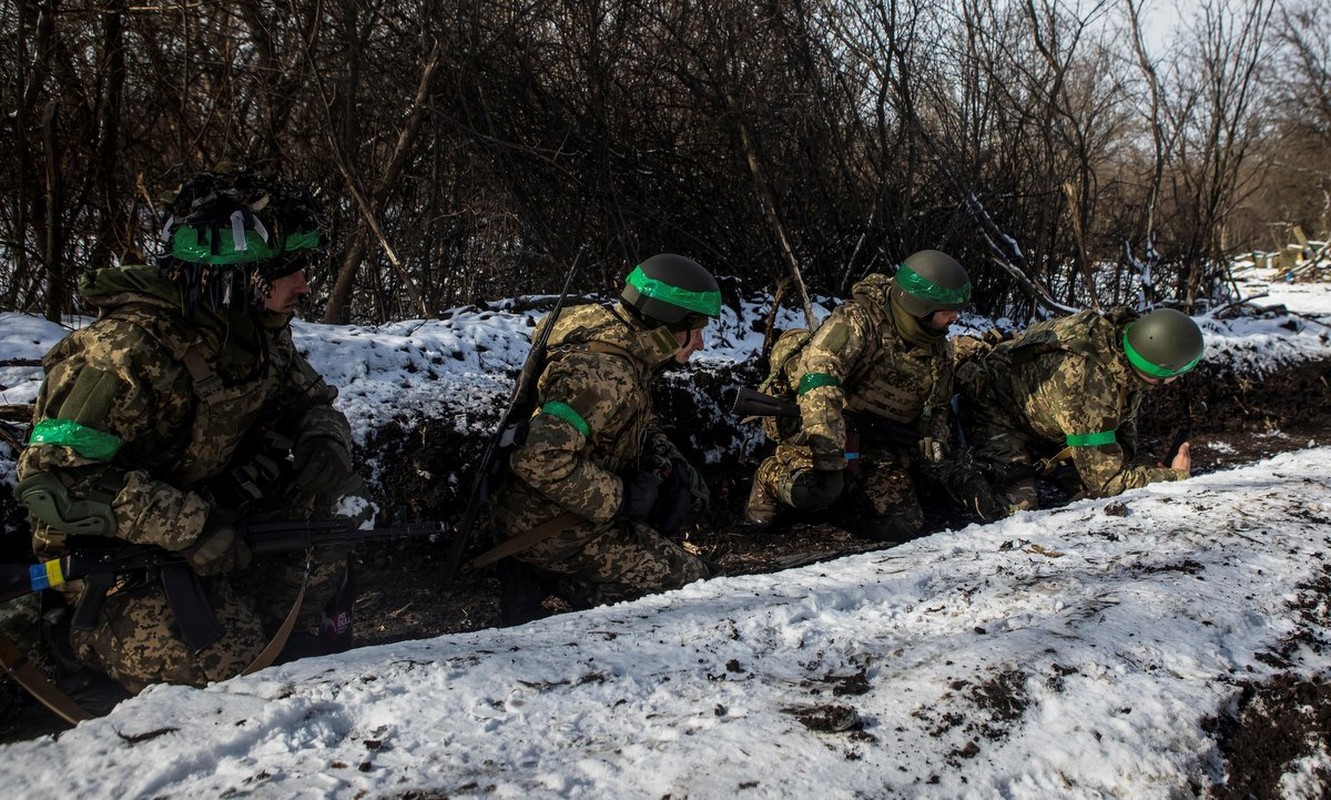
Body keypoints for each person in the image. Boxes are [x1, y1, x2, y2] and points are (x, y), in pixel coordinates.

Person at [15, 166, 370, 694]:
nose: (304, 284)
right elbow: (55, 479)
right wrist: (190, 528)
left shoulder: (253, 332)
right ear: (237, 274)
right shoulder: (125, 353)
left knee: (329, 521)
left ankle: (274, 630)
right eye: (288, 270)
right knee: (232, 674)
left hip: (214, 519)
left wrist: (323, 439)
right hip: (113, 556)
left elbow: (310, 401)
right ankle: (74, 639)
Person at [490, 253, 720, 621]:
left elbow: (620, 423)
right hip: (548, 527)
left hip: (557, 512)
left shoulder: (617, 341)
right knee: (697, 586)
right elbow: (539, 458)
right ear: (668, 323)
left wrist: (662, 461)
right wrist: (622, 497)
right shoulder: (605, 373)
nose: (701, 345)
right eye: (696, 330)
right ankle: (548, 576)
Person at [746, 249, 998, 542]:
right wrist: (829, 456)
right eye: (948, 310)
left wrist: (936, 446)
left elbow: (937, 407)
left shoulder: (937, 349)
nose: (955, 317)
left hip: (876, 444)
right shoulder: (859, 321)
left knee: (902, 524)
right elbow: (819, 380)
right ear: (921, 306)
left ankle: (841, 500)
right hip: (823, 428)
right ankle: (770, 475)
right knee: (815, 490)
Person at [953, 306, 1204, 514]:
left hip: (1047, 420)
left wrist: (1128, 460)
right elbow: (1105, 484)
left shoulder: (1121, 347)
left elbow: (1121, 419)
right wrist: (1174, 477)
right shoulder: (1089, 385)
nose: (1178, 380)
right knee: (1021, 510)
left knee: (1090, 492)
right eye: (1176, 373)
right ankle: (958, 479)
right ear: (1158, 369)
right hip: (996, 415)